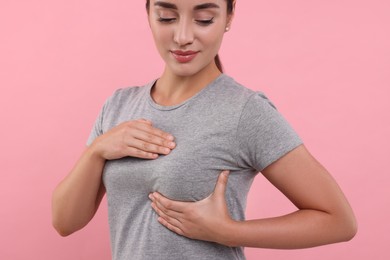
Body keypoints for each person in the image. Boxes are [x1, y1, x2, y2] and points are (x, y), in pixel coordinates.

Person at [52, 0, 357, 259]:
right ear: (148, 14)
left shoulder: (244, 111)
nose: (183, 36)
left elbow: (339, 221)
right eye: (167, 17)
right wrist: (97, 150)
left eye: (204, 19)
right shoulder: (119, 105)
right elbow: (65, 221)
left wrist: (227, 232)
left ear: (229, 17)